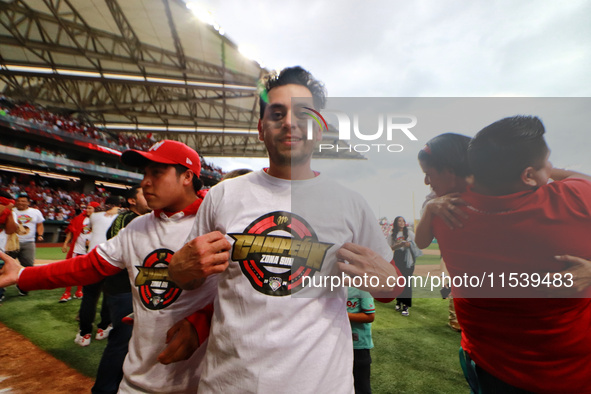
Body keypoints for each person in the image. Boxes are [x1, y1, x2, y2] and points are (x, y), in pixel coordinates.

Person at [168, 66, 401, 393]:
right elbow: (192, 279)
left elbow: (389, 288)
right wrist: (177, 271)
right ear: (261, 129)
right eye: (277, 113)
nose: (290, 122)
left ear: (319, 131)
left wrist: (390, 281)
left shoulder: (350, 203)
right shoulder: (223, 195)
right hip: (229, 384)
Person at [0, 140, 217, 393]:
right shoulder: (138, 226)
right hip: (137, 378)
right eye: (145, 174)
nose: (145, 182)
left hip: (200, 380)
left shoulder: (215, 223)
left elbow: (241, 294)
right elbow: (90, 266)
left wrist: (202, 321)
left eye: (157, 173)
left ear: (187, 177)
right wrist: (24, 274)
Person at [430, 116, 591, 392]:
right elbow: (584, 180)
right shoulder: (573, 200)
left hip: (489, 364)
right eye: (546, 163)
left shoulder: (444, 214)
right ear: (528, 176)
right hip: (570, 372)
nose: (550, 168)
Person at [92, 185, 151, 394]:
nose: (149, 196)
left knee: (125, 340)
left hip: (119, 287)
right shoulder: (132, 221)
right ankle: (105, 389)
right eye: (143, 194)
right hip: (125, 287)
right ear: (132, 201)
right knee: (122, 341)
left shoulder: (123, 218)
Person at [415, 133, 472, 331]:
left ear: (449, 171)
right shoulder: (434, 200)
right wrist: (431, 208)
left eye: (428, 173)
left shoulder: (496, 190)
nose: (426, 181)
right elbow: (421, 242)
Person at [74, 196, 123, 347]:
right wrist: (119, 209)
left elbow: (94, 213)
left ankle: (84, 333)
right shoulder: (124, 216)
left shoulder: (94, 216)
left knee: (89, 297)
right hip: (112, 260)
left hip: (94, 259)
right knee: (108, 297)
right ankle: (103, 329)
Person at [60, 202, 99, 302]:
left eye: (90, 208)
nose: (88, 210)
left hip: (91, 250)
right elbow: (70, 231)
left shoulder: (100, 220)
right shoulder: (79, 218)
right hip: (77, 249)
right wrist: (65, 243)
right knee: (71, 270)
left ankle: (79, 291)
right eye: (87, 208)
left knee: (84, 272)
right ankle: (67, 292)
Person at [12, 193, 44, 295]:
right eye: (19, 201)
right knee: (4, 266)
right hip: (11, 243)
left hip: (28, 242)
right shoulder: (11, 211)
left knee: (28, 266)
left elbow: (39, 224)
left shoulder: (35, 212)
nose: (21, 203)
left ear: (28, 202)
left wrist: (40, 234)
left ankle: (23, 287)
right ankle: (1, 290)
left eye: (23, 201)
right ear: (16, 202)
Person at [388, 216, 419, 316]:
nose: (401, 223)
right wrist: (398, 246)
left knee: (407, 282)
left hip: (408, 259)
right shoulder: (392, 234)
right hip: (398, 258)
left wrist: (409, 245)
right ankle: (398, 301)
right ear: (396, 223)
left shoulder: (409, 233)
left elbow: (417, 244)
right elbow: (389, 247)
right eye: (399, 221)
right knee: (399, 281)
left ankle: (406, 306)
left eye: (403, 221)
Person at [347, 287, 375, 394]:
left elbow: (370, 316)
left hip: (359, 345)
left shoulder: (362, 287)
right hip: (341, 343)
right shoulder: (336, 286)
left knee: (361, 386)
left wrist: (343, 315)